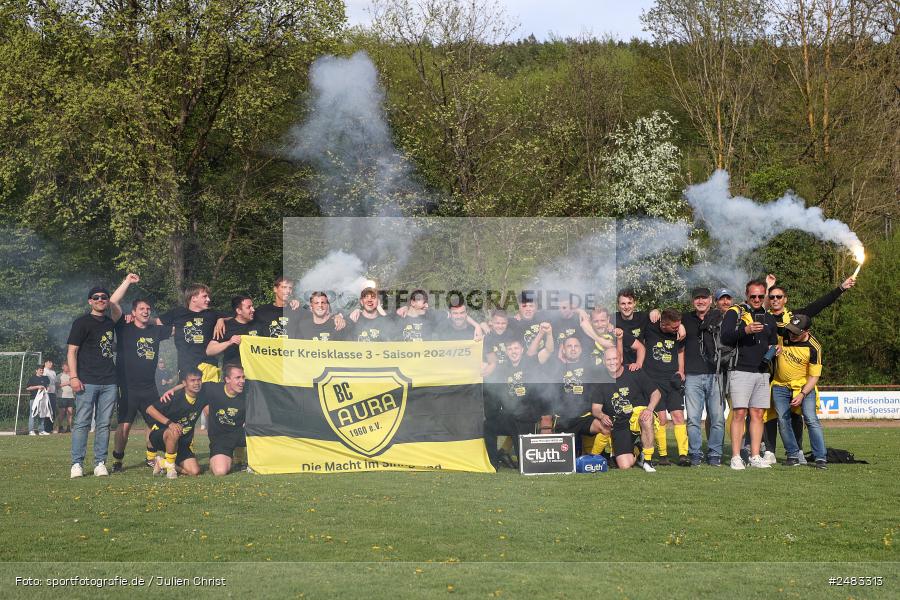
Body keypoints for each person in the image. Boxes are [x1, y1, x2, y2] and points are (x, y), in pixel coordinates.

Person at [761, 274, 855, 462]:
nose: (775, 300)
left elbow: (820, 304)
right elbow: (759, 308)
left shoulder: (796, 318)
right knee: (769, 415)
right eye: (771, 297)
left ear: (785, 299)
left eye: (779, 296)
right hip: (770, 373)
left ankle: (797, 452)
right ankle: (769, 450)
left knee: (795, 416)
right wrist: (767, 286)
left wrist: (841, 288)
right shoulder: (764, 317)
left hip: (796, 379)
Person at [109, 275, 173, 473]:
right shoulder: (124, 328)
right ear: (133, 313)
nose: (146, 312)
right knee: (125, 427)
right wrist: (127, 281)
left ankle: (151, 457)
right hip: (127, 388)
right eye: (141, 309)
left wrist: (217, 321)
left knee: (153, 424)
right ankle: (118, 461)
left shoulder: (156, 331)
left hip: (149, 387)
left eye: (148, 309)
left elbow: (181, 328)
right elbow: (112, 302)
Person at [67, 279, 127, 478]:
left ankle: (100, 463)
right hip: (87, 381)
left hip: (109, 381)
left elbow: (116, 303)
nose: (101, 300)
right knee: (82, 422)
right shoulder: (81, 322)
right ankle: (77, 464)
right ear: (89, 301)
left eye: (104, 297)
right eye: (96, 297)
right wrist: (73, 377)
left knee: (104, 424)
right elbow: (72, 351)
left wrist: (127, 281)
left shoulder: (112, 321)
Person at [721, 279, 778, 470]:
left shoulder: (769, 317)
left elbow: (772, 341)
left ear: (765, 296)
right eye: (753, 296)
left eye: (761, 296)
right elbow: (725, 336)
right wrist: (745, 330)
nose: (756, 299)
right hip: (740, 369)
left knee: (758, 414)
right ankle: (736, 456)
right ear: (746, 295)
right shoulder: (735, 312)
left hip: (762, 372)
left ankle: (754, 456)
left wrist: (773, 350)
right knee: (739, 413)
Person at [483, 336, 552, 467]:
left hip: (527, 416)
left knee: (524, 464)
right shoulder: (502, 370)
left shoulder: (531, 365)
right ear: (507, 352)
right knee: (488, 425)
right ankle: (493, 462)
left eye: (516, 348)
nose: (513, 351)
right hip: (510, 416)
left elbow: (548, 350)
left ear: (522, 350)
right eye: (510, 349)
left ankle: (521, 460)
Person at [593, 346, 662, 472]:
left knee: (646, 418)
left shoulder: (634, 371)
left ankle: (647, 460)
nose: (612, 362)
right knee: (624, 465)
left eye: (615, 358)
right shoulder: (600, 381)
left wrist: (649, 409)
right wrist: (602, 416)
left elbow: (656, 393)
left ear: (621, 359)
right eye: (608, 360)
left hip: (637, 417)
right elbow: (596, 408)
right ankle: (638, 449)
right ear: (604, 361)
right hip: (619, 424)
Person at [771, 314, 827, 468]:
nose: (791, 334)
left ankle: (820, 457)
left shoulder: (814, 347)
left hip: (804, 387)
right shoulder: (785, 331)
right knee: (783, 420)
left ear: (807, 331)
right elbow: (765, 323)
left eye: (796, 332)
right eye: (790, 331)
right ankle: (792, 454)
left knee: (810, 419)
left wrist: (802, 394)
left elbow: (814, 377)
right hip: (780, 385)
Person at [682, 287, 725, 466]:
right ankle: (695, 453)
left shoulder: (720, 317)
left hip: (715, 373)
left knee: (717, 417)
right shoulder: (684, 318)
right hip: (692, 375)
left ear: (710, 300)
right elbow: (664, 320)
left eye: (704, 298)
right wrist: (654, 312)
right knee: (693, 418)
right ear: (693, 301)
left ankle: (715, 453)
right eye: (697, 298)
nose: (700, 301)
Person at [638, 308, 687, 465]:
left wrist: (681, 370)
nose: (676, 329)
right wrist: (654, 310)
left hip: (672, 380)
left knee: (678, 416)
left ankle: (683, 455)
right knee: (661, 419)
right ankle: (663, 456)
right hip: (654, 380)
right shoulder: (650, 326)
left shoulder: (679, 331)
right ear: (663, 324)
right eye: (674, 327)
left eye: (678, 326)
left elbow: (680, 351)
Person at [159, 283, 228, 383]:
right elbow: (155, 321)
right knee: (188, 398)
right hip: (186, 369)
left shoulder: (212, 314)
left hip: (208, 367)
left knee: (209, 398)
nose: (208, 299)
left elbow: (234, 318)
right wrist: (132, 317)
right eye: (205, 296)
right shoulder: (178, 313)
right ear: (194, 298)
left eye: (208, 296)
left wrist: (220, 319)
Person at [145, 369, 207, 479]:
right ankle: (170, 469)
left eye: (199, 380)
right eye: (192, 380)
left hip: (181, 442)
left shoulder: (202, 396)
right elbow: (149, 410)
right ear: (184, 383)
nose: (196, 383)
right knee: (174, 430)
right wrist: (169, 423)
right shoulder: (174, 397)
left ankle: (163, 463)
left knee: (194, 471)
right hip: (161, 436)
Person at [205, 364, 248, 475]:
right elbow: (190, 385)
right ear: (227, 379)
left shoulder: (248, 392)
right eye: (237, 378)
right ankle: (218, 461)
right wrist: (172, 390)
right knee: (220, 471)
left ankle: (240, 459)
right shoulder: (214, 389)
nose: (242, 381)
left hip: (241, 435)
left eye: (243, 377)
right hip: (221, 439)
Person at [206, 296, 259, 365]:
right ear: (239, 311)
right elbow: (209, 351)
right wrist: (229, 342)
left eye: (252, 306)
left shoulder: (258, 323)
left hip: (254, 371)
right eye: (249, 307)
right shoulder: (226, 326)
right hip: (233, 372)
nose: (253, 309)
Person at [26, 365, 51, 436]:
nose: (41, 371)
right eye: (40, 370)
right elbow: (28, 388)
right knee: (33, 414)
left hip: (43, 399)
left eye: (42, 370)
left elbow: (48, 386)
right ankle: (31, 431)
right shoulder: (32, 378)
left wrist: (48, 389)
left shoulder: (46, 378)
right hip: (34, 399)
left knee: (42, 414)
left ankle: (41, 430)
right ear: (36, 370)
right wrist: (37, 387)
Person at [56, 363, 75, 433]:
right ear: (62, 367)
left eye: (68, 366)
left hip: (71, 396)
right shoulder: (59, 376)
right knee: (62, 412)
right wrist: (67, 383)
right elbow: (57, 385)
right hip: (62, 397)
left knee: (70, 413)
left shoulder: (72, 376)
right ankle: (59, 427)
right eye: (66, 366)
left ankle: (69, 427)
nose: (67, 368)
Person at [42, 360, 57, 433]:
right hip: (46, 393)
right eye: (49, 362)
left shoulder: (53, 372)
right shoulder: (44, 371)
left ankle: (50, 428)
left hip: (53, 393)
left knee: (52, 411)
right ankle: (45, 428)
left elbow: (55, 383)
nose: (51, 364)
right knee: (46, 410)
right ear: (45, 363)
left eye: (51, 362)